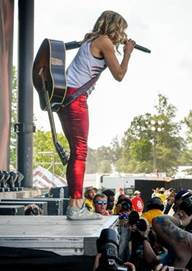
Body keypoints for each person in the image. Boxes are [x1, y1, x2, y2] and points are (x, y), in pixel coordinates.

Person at [60, 10, 136, 220]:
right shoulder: (104, 42)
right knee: (80, 152)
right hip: (76, 99)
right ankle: (76, 207)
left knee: (76, 152)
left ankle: (74, 204)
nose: (123, 33)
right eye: (122, 29)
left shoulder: (91, 40)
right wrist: (128, 52)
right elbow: (119, 75)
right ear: (115, 27)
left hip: (65, 97)